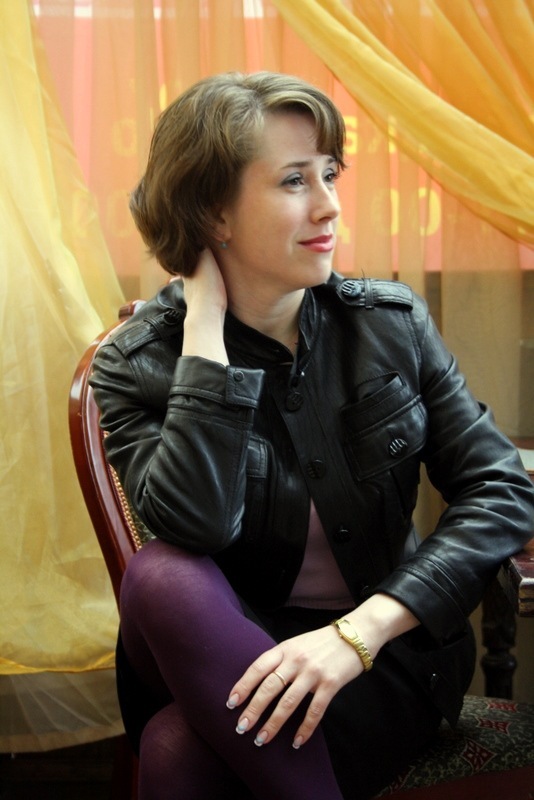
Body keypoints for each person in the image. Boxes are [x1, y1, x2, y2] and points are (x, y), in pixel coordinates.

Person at [90, 72, 534, 800]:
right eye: (294, 180)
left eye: (329, 174)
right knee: (162, 574)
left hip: (386, 655)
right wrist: (205, 336)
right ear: (213, 212)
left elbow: (501, 490)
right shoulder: (137, 364)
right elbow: (196, 527)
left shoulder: (390, 325)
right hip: (231, 651)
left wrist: (356, 635)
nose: (329, 205)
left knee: (176, 749)